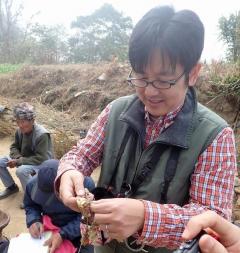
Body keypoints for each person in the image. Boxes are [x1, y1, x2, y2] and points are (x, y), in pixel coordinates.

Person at [55, 5, 237, 253]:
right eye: (141, 76)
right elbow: (82, 154)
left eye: (163, 80)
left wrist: (144, 216)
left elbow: (212, 220)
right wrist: (68, 172)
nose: (149, 92)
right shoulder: (116, 111)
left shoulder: (215, 136)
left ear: (193, 73)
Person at [24, 159, 95, 253]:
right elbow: (31, 206)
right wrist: (33, 220)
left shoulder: (85, 185)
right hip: (51, 228)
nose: (47, 198)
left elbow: (88, 218)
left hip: (78, 230)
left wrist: (63, 234)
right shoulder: (31, 185)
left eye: (51, 194)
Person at [0, 102, 54, 201]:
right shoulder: (19, 130)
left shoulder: (42, 134)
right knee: (0, 161)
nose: (20, 125)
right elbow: (14, 146)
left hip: (43, 163)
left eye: (23, 122)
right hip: (24, 158)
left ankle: (31, 198)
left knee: (21, 171)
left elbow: (41, 158)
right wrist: (17, 158)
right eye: (18, 121)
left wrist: (19, 162)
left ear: (32, 120)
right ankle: (11, 187)